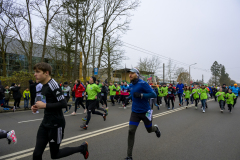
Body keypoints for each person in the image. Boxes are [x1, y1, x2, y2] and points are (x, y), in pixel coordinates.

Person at [31, 62, 89, 160]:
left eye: (38, 72)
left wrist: (45, 105)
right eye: (35, 72)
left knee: (55, 155)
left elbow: (63, 104)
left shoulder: (53, 84)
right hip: (45, 123)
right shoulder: (42, 85)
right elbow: (47, 101)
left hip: (56, 124)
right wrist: (36, 106)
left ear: (46, 73)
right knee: (36, 154)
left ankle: (82, 148)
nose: (35, 74)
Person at [124, 68, 161, 160]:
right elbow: (133, 94)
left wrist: (141, 95)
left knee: (149, 130)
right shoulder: (131, 84)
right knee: (131, 131)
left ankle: (155, 128)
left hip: (146, 112)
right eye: (129, 73)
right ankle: (129, 156)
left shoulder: (143, 83)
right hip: (135, 112)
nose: (130, 75)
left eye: (132, 73)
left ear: (137, 74)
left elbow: (153, 94)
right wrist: (128, 98)